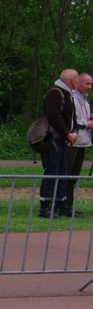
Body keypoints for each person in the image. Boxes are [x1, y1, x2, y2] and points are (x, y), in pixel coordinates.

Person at [39, 69, 78, 218]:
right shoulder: (55, 93)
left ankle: (62, 205)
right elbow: (53, 116)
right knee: (51, 171)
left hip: (60, 140)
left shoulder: (67, 94)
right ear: (71, 80)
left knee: (62, 173)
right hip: (52, 141)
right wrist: (67, 133)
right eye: (77, 79)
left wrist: (69, 134)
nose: (78, 82)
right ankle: (44, 207)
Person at [65, 72, 93, 216]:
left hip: (83, 142)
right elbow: (73, 120)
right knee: (68, 175)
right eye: (87, 84)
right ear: (79, 83)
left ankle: (68, 205)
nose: (89, 87)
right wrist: (88, 123)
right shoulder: (73, 98)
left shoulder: (86, 101)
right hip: (73, 142)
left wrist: (90, 118)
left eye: (91, 84)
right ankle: (64, 205)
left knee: (74, 176)